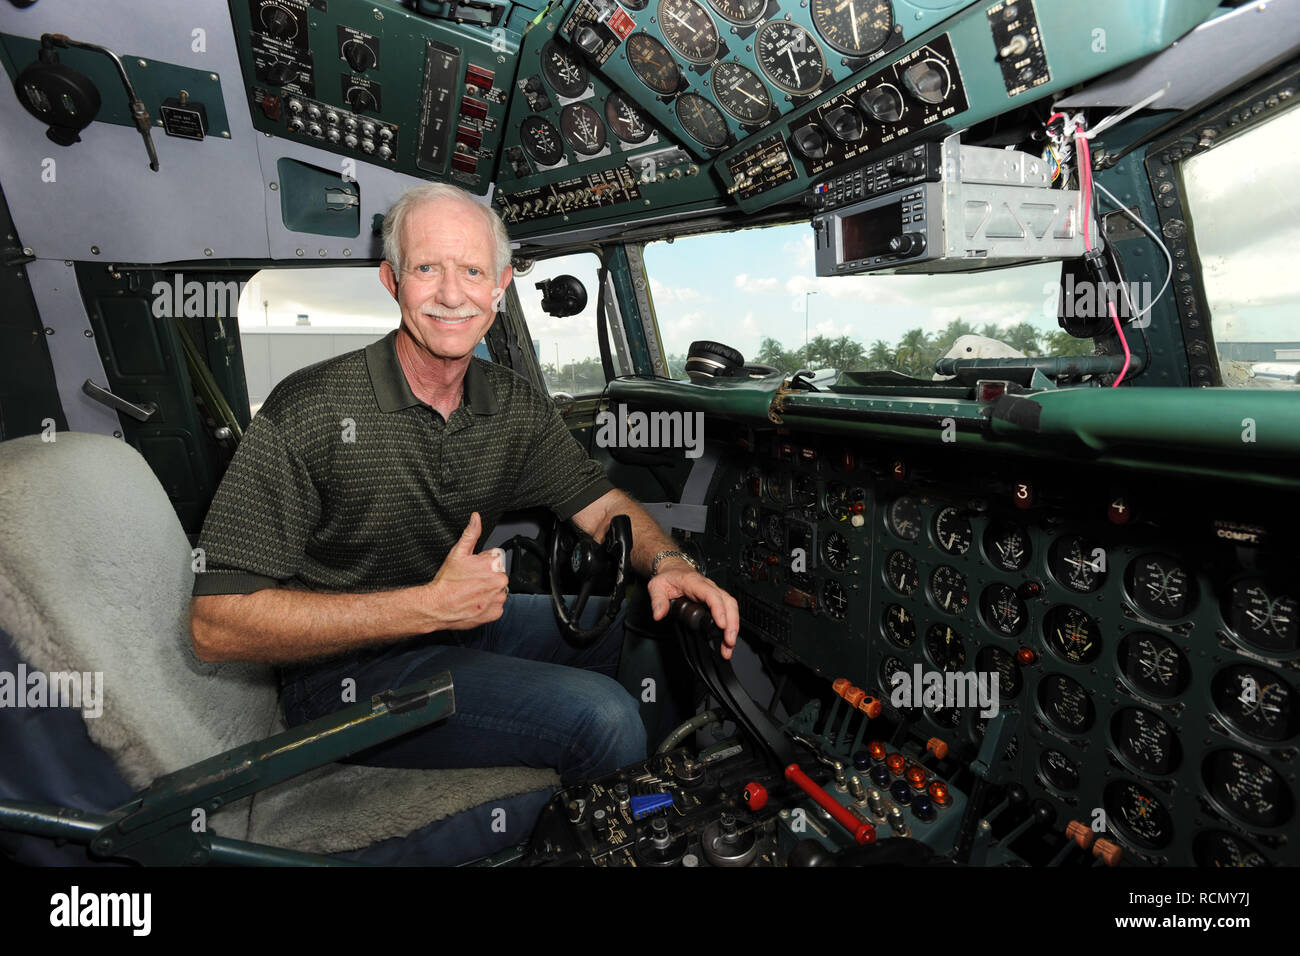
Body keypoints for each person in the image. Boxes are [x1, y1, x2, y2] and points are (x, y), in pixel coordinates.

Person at [189, 182, 739, 799]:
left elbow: (602, 504)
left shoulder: (511, 404)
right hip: (339, 674)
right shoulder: (310, 409)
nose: (452, 295)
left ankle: (664, 807)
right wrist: (428, 606)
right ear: (392, 281)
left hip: (456, 628)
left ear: (500, 287)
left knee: (652, 621)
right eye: (427, 268)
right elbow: (215, 625)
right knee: (602, 715)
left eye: (472, 271)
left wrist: (670, 563)